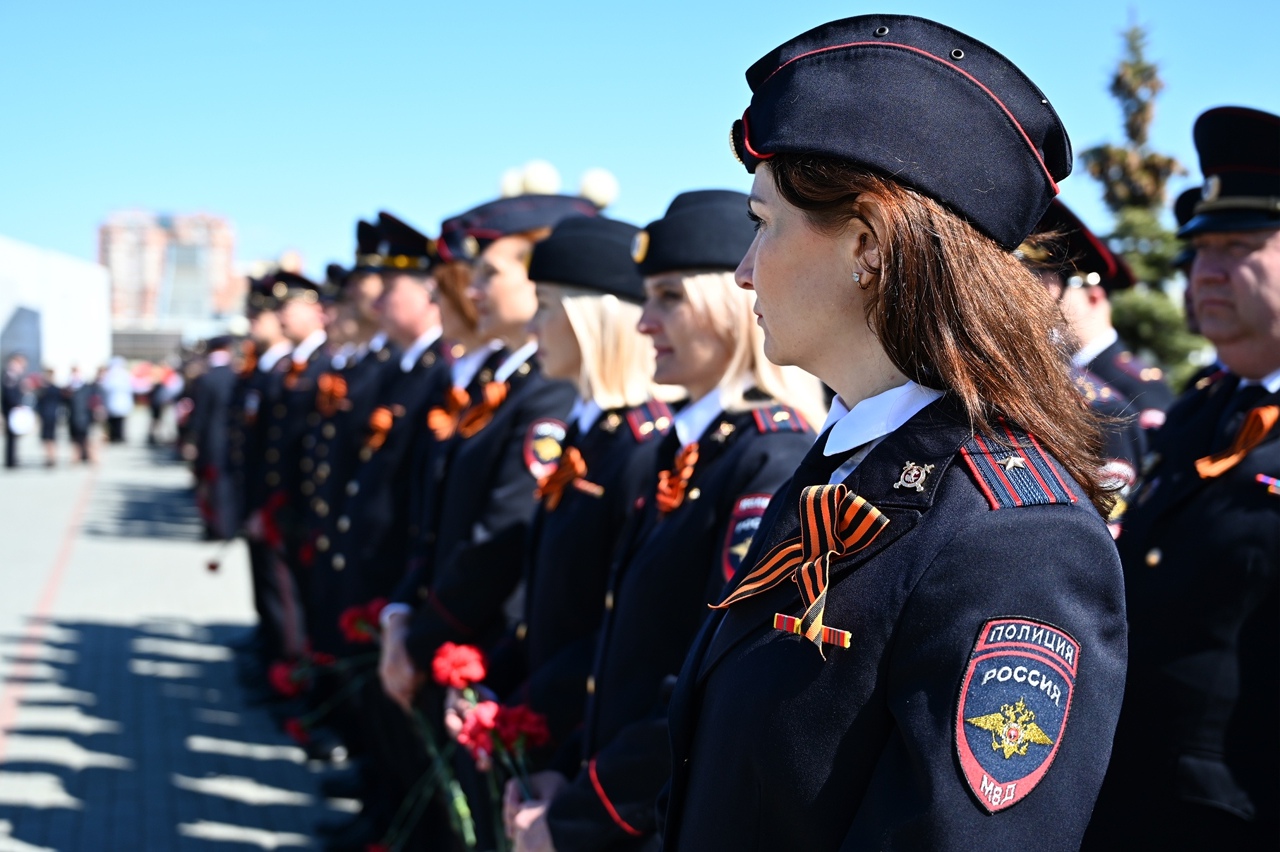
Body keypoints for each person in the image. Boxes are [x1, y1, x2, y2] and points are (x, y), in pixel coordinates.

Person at [651, 16, 1126, 851]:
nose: (743, 270)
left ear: (866, 245)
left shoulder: (1018, 537)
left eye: (765, 223)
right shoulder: (849, 459)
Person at [507, 190, 824, 851]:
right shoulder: (694, 449)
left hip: (652, 819)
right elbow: (621, 644)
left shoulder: (768, 457)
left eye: (670, 297)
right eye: (647, 298)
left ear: (731, 305)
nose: (645, 322)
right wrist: (566, 773)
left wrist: (579, 818)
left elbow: (704, 682)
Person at [1086, 105, 1279, 850]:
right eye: (1200, 251)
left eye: (1239, 247)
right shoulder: (1204, 410)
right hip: (1140, 805)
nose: (1208, 272)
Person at [453, 215, 674, 760]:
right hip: (546, 716)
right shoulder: (593, 433)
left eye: (546, 306)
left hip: (582, 736)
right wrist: (495, 687)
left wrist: (523, 706)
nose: (533, 328)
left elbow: (618, 633)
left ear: (590, 321)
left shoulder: (644, 447)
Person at [2, 352, 29, 468]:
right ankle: (10, 461)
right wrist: (17, 404)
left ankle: (12, 459)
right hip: (11, 409)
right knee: (11, 436)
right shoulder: (10, 374)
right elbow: (10, 393)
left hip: (13, 408)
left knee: (14, 436)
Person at [35, 367, 64, 467]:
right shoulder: (42, 389)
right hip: (45, 416)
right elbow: (38, 404)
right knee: (46, 439)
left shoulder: (54, 389)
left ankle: (52, 458)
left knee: (51, 438)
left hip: (52, 416)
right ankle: (48, 457)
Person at [101, 356, 134, 443]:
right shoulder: (123, 374)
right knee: (118, 421)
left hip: (116, 401)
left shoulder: (112, 374)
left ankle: (116, 436)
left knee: (117, 421)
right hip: (117, 401)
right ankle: (117, 436)